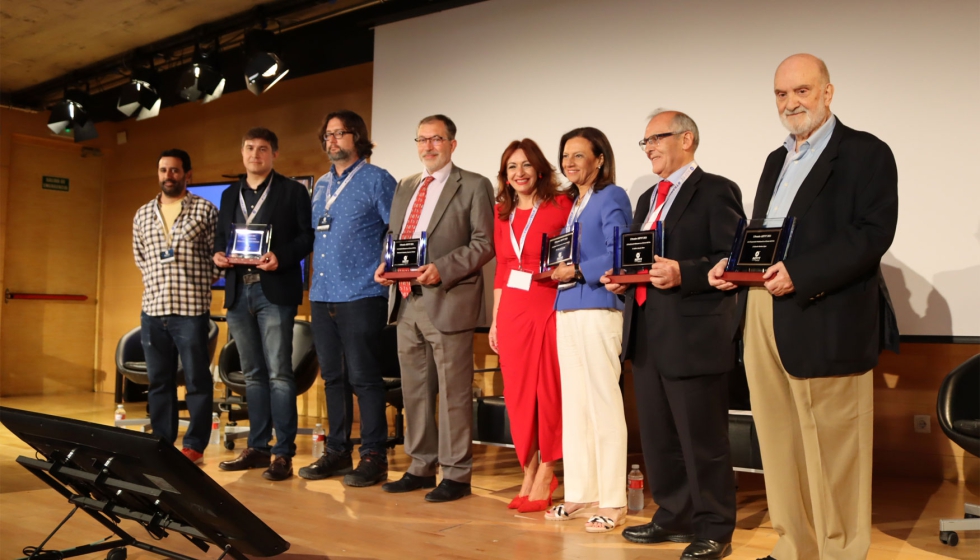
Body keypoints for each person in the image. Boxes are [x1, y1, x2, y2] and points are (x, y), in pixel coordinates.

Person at [708, 54, 898, 560]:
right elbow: (765, 234)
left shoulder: (865, 153)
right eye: (781, 94)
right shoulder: (776, 159)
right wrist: (733, 266)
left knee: (835, 450)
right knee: (778, 440)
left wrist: (803, 274)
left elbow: (872, 234)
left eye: (802, 91)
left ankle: (840, 553)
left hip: (825, 315)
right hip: (762, 310)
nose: (791, 102)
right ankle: (795, 546)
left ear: (828, 93)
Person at [603, 110, 744, 559]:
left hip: (692, 335)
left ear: (687, 139)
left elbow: (732, 258)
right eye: (643, 142)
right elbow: (644, 260)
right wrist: (622, 277)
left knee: (702, 438)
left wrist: (686, 272)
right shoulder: (647, 198)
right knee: (660, 437)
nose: (648, 148)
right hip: (647, 332)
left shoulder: (717, 190)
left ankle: (714, 527)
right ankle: (674, 515)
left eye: (656, 138)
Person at [373, 114, 495, 503]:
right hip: (405, 299)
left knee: (454, 393)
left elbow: (483, 244)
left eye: (436, 139)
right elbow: (395, 236)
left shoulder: (474, 185)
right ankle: (421, 466)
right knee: (415, 391)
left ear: (452, 144)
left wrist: (441, 269)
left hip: (448, 297)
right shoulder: (407, 185)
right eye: (422, 140)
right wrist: (385, 263)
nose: (428, 146)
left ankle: (457, 474)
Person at [298, 110, 397, 487]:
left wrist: (388, 266)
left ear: (358, 137)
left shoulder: (377, 180)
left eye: (340, 134)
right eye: (328, 135)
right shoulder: (321, 184)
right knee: (333, 378)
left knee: (364, 378)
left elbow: (397, 230)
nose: (333, 140)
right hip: (322, 296)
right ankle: (337, 453)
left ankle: (374, 455)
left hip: (362, 293)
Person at [214, 127, 315, 481]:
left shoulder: (292, 191)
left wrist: (281, 257)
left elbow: (307, 236)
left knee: (279, 374)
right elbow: (219, 238)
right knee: (253, 375)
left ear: (274, 155)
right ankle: (257, 447)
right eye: (249, 148)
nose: (255, 154)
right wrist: (218, 255)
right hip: (239, 292)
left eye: (262, 149)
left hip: (275, 291)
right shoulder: (229, 194)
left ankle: (283, 454)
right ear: (241, 153)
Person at [543, 127, 631, 532]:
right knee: (574, 404)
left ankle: (613, 500)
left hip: (599, 305)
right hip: (567, 306)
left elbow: (620, 247)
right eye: (566, 156)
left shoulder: (612, 196)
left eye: (579, 156)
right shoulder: (573, 204)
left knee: (602, 403)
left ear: (599, 159)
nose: (570, 163)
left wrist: (578, 269)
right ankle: (580, 491)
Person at [489, 139, 572, 513]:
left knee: (548, 394)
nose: (519, 173)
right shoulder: (501, 213)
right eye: (511, 168)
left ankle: (549, 468)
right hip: (512, 313)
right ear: (505, 177)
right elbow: (503, 268)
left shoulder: (560, 206)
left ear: (539, 169)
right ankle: (529, 468)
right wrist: (494, 320)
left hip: (549, 305)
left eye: (525, 165)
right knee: (520, 397)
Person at [133, 148, 218, 465]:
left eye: (175, 170)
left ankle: (195, 444)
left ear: (187, 174)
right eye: (163, 170)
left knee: (197, 380)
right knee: (159, 382)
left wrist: (195, 284)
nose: (168, 175)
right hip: (153, 309)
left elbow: (217, 259)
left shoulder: (205, 210)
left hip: (190, 309)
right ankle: (162, 440)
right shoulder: (142, 214)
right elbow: (140, 258)